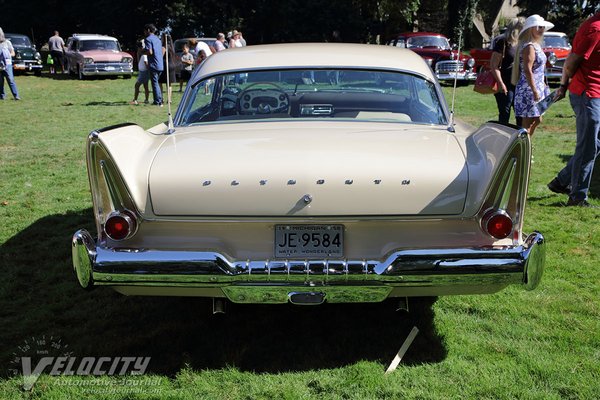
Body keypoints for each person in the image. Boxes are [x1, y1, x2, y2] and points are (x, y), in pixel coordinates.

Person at [547, 11, 600, 208]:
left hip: (596, 93)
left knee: (595, 143)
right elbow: (570, 62)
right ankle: (577, 196)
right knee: (587, 147)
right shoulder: (594, 29)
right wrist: (562, 86)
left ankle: (562, 181)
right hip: (587, 93)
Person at [512, 14, 554, 136]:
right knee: (527, 123)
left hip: (537, 88)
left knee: (537, 119)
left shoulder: (536, 46)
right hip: (529, 90)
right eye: (539, 27)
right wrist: (535, 90)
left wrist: (543, 86)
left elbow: (538, 69)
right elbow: (527, 70)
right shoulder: (529, 47)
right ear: (531, 29)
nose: (542, 30)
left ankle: (526, 146)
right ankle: (523, 148)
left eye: (542, 27)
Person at [489, 17, 524, 126]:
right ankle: (502, 139)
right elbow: (494, 65)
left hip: (518, 83)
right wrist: (501, 83)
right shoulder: (502, 42)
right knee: (505, 112)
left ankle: (518, 140)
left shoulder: (521, 43)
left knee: (520, 114)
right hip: (504, 83)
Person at [142, 24, 164, 106]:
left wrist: (142, 51)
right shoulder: (157, 39)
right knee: (157, 83)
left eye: (144, 31)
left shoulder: (148, 39)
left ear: (148, 30)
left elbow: (150, 52)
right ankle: (160, 100)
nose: (144, 32)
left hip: (154, 64)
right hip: (160, 64)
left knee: (154, 83)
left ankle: (158, 101)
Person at [0, 27, 20, 100]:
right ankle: (2, 96)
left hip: (7, 65)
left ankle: (16, 96)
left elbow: (13, 53)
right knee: (0, 82)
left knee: (10, 80)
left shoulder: (7, 42)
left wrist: (7, 55)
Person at [130, 39, 149, 105]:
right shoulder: (141, 55)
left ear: (141, 48)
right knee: (145, 86)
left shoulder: (144, 55)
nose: (138, 50)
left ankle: (135, 100)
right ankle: (146, 100)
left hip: (144, 72)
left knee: (137, 85)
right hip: (142, 72)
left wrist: (147, 70)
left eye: (139, 48)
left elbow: (146, 63)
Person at [159, 34, 177, 101]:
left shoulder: (164, 47)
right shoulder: (172, 47)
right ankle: (169, 99)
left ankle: (161, 98)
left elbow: (160, 56)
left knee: (160, 82)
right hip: (171, 65)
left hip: (165, 66)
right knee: (169, 84)